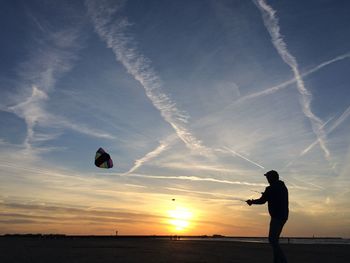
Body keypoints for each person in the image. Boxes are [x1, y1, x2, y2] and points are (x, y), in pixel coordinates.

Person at [246, 170, 288, 263]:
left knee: (272, 240)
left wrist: (251, 202)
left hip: (276, 216)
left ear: (272, 177)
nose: (267, 179)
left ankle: (284, 261)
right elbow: (272, 197)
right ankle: (276, 261)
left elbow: (262, 201)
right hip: (284, 215)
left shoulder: (270, 188)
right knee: (275, 240)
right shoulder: (283, 186)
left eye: (268, 177)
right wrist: (267, 194)